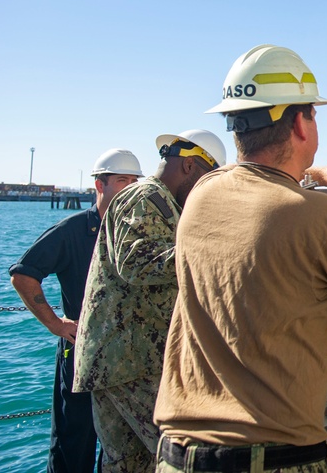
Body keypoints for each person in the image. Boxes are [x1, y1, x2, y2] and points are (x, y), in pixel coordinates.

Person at [153, 44, 327, 473]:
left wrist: (313, 173)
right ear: (301, 125)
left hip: (178, 456)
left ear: (237, 128)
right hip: (272, 459)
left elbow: (257, 183)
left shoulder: (202, 195)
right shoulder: (318, 218)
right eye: (313, 114)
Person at [73, 130, 227, 473]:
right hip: (130, 361)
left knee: (130, 465)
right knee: (187, 455)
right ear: (189, 166)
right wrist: (218, 250)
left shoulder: (165, 203)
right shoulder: (144, 196)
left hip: (124, 360)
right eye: (208, 178)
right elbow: (136, 262)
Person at [9, 148, 143, 473]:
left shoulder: (138, 233)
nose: (129, 188)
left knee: (122, 448)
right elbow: (24, 274)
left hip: (127, 362)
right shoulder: (72, 231)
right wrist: (56, 324)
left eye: (134, 182)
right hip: (81, 354)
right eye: (121, 181)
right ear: (100, 185)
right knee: (74, 442)